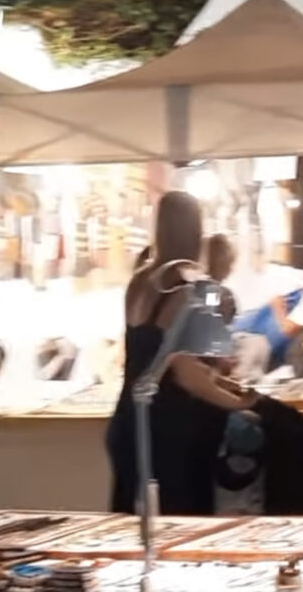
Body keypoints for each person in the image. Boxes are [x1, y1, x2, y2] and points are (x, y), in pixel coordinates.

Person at [106, 191, 257, 515]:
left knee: (129, 522)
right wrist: (241, 402)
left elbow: (151, 353)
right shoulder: (186, 288)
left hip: (128, 418)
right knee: (179, 520)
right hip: (169, 425)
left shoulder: (140, 281)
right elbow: (187, 376)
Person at [205, 234, 237, 325]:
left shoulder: (196, 289)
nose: (232, 269)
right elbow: (210, 318)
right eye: (231, 263)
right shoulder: (214, 291)